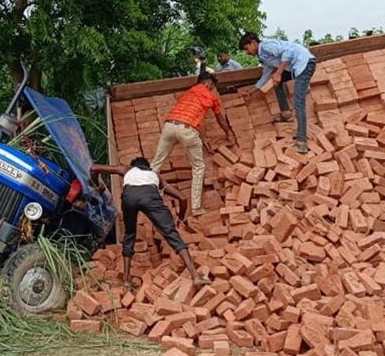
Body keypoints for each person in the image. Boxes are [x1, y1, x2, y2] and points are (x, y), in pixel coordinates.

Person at [90, 157, 208, 288]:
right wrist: (180, 218)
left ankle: (126, 280)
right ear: (148, 168)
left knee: (129, 234)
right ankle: (196, 276)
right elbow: (183, 198)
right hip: (150, 197)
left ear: (133, 166)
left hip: (129, 197)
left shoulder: (126, 169)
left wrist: (98, 186)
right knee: (172, 235)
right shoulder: (155, 176)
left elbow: (94, 168)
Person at [150, 72, 236, 216]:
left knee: (157, 162)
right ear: (209, 84)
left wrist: (203, 139)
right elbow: (219, 118)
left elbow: (196, 117)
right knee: (198, 167)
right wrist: (229, 133)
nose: (212, 90)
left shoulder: (188, 93)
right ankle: (196, 208)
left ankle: (148, 193)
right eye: (212, 87)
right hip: (188, 130)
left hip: (169, 125)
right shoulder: (211, 96)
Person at [239, 32, 317, 154]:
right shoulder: (263, 57)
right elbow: (266, 76)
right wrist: (252, 91)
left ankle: (302, 142)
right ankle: (286, 114)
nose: (246, 52)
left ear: (253, 43)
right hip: (296, 67)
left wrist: (279, 73)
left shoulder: (266, 46)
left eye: (246, 48)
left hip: (305, 64)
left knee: (299, 103)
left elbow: (288, 52)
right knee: (276, 81)